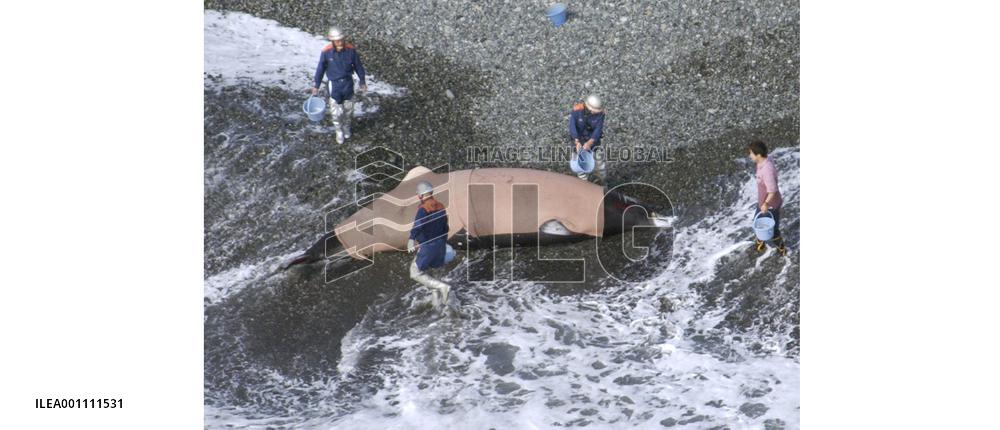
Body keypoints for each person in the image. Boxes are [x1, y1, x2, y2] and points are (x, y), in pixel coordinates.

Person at [312, 27, 367, 144]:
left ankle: (346, 127)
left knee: (348, 109)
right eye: (337, 41)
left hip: (348, 84)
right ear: (332, 41)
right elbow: (320, 69)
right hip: (334, 85)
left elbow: (358, 66)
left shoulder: (351, 51)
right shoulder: (326, 53)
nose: (340, 42)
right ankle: (338, 130)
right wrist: (316, 85)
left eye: (341, 39)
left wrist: (362, 81)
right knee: (336, 112)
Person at [407, 181, 455, 307]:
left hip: (428, 247)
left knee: (415, 272)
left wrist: (411, 239)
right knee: (433, 276)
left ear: (420, 195)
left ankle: (443, 287)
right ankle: (439, 307)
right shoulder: (441, 206)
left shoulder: (423, 209)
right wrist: (442, 244)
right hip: (440, 245)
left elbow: (418, 225)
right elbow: (446, 227)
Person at [748, 140, 787, 256]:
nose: (749, 156)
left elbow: (772, 190)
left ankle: (781, 248)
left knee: (773, 230)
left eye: (751, 153)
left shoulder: (767, 170)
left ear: (758, 155)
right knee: (758, 222)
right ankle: (761, 241)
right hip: (763, 201)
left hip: (770, 204)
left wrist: (765, 204)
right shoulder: (764, 160)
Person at [568, 94, 606, 180]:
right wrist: (577, 142)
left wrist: (590, 142)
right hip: (578, 140)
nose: (595, 112)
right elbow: (572, 126)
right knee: (578, 161)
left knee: (599, 161)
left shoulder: (601, 114)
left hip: (593, 140)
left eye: (597, 110)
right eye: (593, 110)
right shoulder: (577, 110)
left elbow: (598, 129)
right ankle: (584, 181)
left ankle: (602, 178)